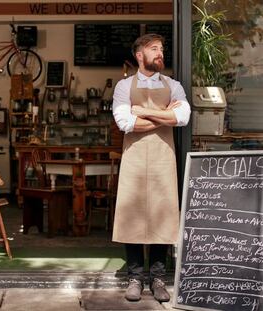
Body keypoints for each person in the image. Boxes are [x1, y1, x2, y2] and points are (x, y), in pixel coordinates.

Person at [112, 33, 191, 303]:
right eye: (153, 49)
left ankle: (157, 277)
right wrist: (164, 116)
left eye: (161, 49)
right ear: (139, 55)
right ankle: (135, 277)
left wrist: (143, 112)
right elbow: (125, 123)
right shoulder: (123, 87)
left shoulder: (174, 85)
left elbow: (183, 116)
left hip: (162, 158)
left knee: (162, 213)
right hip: (134, 157)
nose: (160, 53)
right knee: (132, 214)